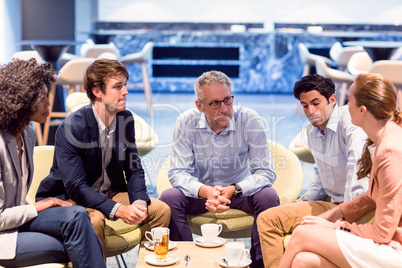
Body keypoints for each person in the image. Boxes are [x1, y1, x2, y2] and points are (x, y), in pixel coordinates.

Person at [36, 59, 171, 258]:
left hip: (110, 191)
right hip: (72, 198)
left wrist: (139, 204)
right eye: (118, 86)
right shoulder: (72, 127)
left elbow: (134, 169)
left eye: (125, 84)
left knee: (160, 210)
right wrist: (119, 210)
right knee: (94, 220)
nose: (125, 91)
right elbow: (76, 187)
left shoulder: (125, 119)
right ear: (97, 92)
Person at [279, 73, 402, 268]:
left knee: (302, 234)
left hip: (394, 249)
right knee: (303, 261)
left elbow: (383, 233)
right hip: (385, 241)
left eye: (349, 100)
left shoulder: (390, 150)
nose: (344, 105)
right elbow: (371, 196)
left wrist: (336, 226)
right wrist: (333, 213)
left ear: (362, 110)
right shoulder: (382, 139)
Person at [159, 70, 279, 268]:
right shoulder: (186, 122)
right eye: (215, 103)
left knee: (269, 196)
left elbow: (265, 172)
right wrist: (205, 191)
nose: (224, 108)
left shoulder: (249, 119)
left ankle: (259, 264)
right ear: (199, 106)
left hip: (240, 193)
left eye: (228, 100)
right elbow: (178, 172)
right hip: (201, 195)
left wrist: (235, 189)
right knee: (169, 198)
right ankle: (189, 261)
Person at [0, 59, 105, 267]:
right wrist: (43, 204)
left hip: (20, 219)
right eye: (41, 99)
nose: (49, 105)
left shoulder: (27, 134)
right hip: (4, 234)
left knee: (77, 215)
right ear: (22, 100)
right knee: (80, 241)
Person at [257, 74, 369, 268]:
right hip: (330, 204)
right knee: (268, 219)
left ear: (332, 99)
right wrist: (305, 201)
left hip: (357, 208)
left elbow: (358, 174)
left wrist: (343, 219)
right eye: (305, 105)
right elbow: (320, 172)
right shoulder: (311, 131)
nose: (310, 111)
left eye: (315, 103)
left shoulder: (350, 126)